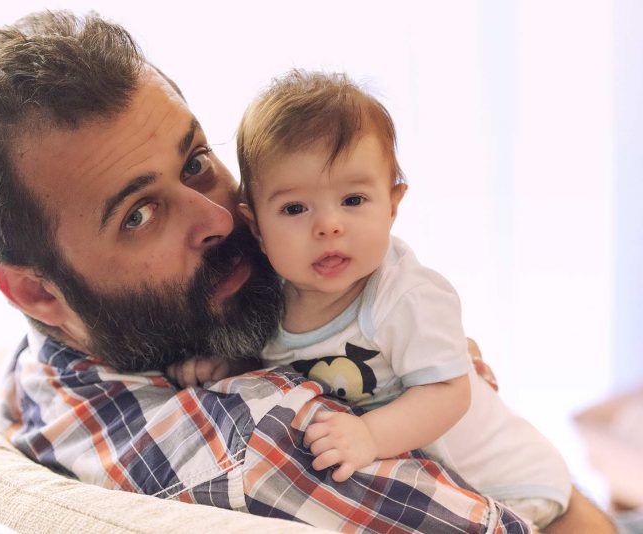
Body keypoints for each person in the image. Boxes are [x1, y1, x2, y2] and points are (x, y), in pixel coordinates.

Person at [0, 9, 613, 534]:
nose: (219, 219)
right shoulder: (270, 439)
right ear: (34, 290)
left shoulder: (43, 370)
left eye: (196, 159)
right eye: (139, 214)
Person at [208, 69, 570, 529]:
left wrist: (369, 434)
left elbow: (448, 393)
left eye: (354, 200)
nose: (329, 225)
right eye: (295, 208)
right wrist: (224, 365)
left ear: (393, 204)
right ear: (256, 225)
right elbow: (271, 364)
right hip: (441, 483)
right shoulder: (268, 298)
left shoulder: (406, 297)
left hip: (507, 480)